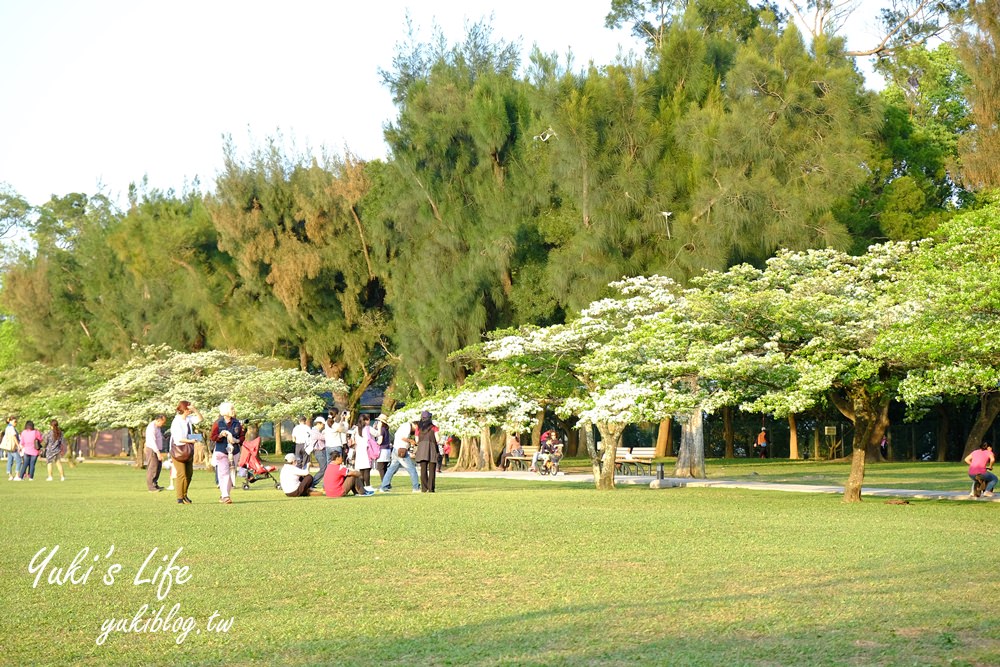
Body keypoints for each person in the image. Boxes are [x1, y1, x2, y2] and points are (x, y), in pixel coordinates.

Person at [209, 402, 242, 504]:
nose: (233, 410)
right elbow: (213, 437)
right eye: (231, 408)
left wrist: (237, 441)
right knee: (224, 473)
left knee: (232, 474)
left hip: (234, 451)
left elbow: (242, 436)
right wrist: (220, 435)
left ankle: (225, 494)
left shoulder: (237, 423)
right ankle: (225, 495)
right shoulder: (217, 423)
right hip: (221, 451)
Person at [170, 401, 202, 505]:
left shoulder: (188, 419)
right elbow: (179, 439)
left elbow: (200, 419)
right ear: (185, 409)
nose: (190, 410)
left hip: (188, 450)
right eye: (189, 408)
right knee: (182, 474)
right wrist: (192, 441)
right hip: (178, 451)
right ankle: (179, 498)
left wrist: (195, 410)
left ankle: (184, 495)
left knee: (189, 474)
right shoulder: (176, 422)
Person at [377, 419, 421, 494]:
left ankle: (383, 487)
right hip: (401, 450)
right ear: (416, 425)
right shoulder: (407, 427)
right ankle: (416, 487)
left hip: (396, 449)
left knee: (391, 470)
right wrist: (411, 441)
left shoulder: (404, 426)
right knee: (412, 469)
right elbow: (403, 437)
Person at [414, 410, 439, 493]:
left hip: (421, 449)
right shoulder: (434, 427)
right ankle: (431, 488)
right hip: (432, 448)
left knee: (423, 469)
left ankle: (424, 488)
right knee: (432, 469)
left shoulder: (418, 428)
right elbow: (437, 439)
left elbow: (416, 440)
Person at [144, 415, 167, 492]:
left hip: (157, 449)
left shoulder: (157, 427)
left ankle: (155, 484)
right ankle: (151, 487)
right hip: (152, 450)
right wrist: (158, 453)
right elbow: (152, 442)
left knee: (158, 467)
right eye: (162, 423)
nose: (163, 424)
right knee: (152, 468)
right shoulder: (151, 428)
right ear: (158, 420)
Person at [353, 414, 374, 492]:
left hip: (359, 450)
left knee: (361, 470)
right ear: (365, 420)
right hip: (366, 450)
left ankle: (362, 486)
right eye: (368, 420)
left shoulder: (356, 429)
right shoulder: (368, 428)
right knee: (367, 469)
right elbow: (377, 433)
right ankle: (368, 485)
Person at [308, 417, 328, 489]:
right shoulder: (314, 431)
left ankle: (322, 484)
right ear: (318, 423)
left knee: (325, 468)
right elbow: (324, 438)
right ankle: (312, 483)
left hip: (321, 451)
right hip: (319, 451)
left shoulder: (315, 431)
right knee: (324, 468)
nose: (323, 426)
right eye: (322, 424)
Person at [373, 413, 392, 482]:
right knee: (385, 468)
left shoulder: (382, 430)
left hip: (382, 450)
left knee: (380, 468)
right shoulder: (386, 429)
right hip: (387, 450)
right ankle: (387, 483)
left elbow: (380, 441)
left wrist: (374, 443)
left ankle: (384, 483)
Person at [4, 416, 21, 481]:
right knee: (18, 460)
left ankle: (10, 475)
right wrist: (18, 445)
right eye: (14, 421)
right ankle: (17, 475)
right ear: (10, 421)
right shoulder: (11, 428)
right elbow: (14, 437)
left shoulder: (7, 427)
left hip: (9, 446)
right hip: (12, 446)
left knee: (10, 460)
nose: (15, 423)